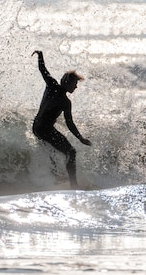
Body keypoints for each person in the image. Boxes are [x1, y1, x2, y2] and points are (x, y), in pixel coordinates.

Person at [32, 50, 91, 188]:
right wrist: (41, 56)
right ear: (66, 82)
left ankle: (55, 176)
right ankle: (73, 185)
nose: (76, 87)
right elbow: (43, 70)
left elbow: (70, 123)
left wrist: (40, 55)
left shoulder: (58, 92)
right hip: (44, 129)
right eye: (75, 84)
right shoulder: (61, 96)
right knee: (71, 152)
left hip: (37, 126)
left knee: (53, 150)